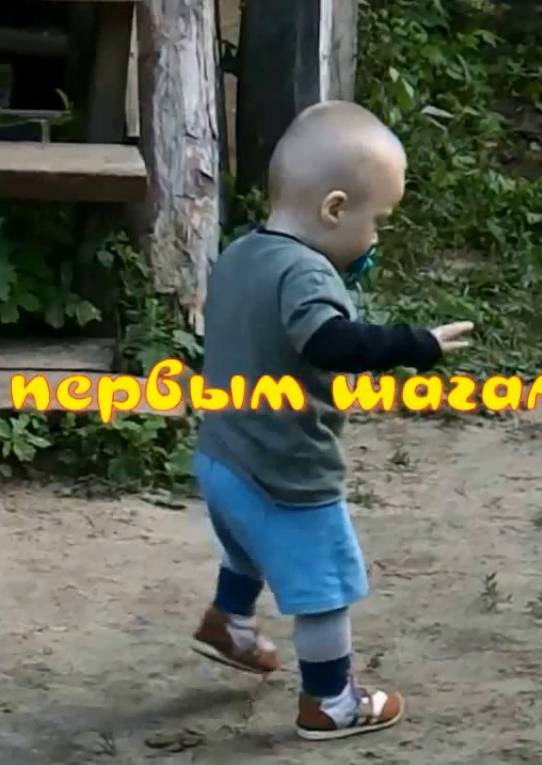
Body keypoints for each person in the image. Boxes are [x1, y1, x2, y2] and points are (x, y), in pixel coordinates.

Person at [188, 99, 475, 740]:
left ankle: (230, 621)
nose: (376, 239)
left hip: (223, 452)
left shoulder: (241, 252)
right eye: (378, 222)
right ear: (335, 209)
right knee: (325, 587)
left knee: (248, 544)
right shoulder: (306, 270)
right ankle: (329, 701)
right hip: (284, 470)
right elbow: (329, 342)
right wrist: (414, 344)